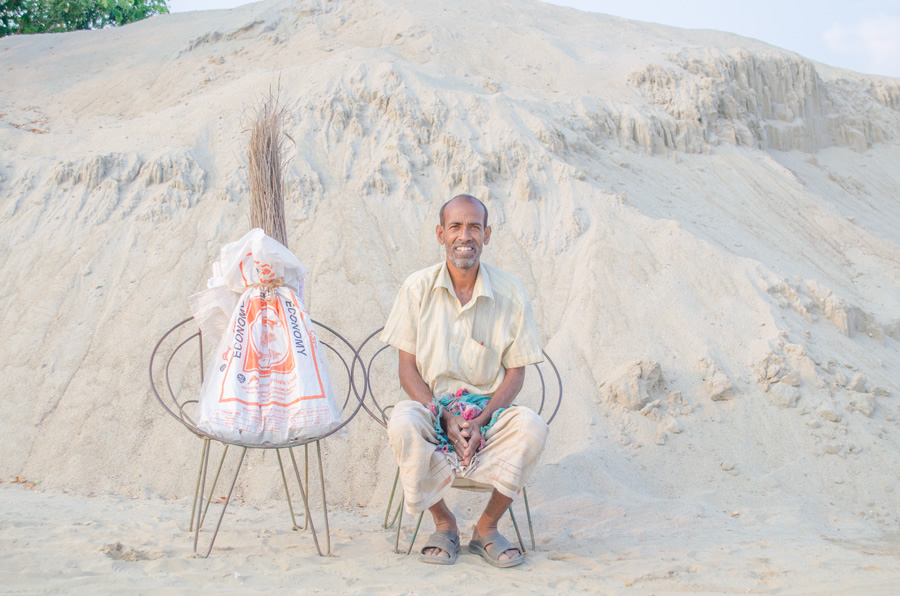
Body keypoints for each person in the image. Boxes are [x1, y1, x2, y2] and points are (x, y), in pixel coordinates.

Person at [380, 194, 549, 568]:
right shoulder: (416, 288)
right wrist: (443, 417)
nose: (464, 235)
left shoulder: (511, 292)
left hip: (489, 411)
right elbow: (407, 368)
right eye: (455, 226)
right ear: (441, 234)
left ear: (486, 234)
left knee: (532, 427)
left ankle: (486, 527)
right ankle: (444, 522)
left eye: (474, 226)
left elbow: (516, 372)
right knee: (403, 422)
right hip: (433, 410)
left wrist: (482, 418)